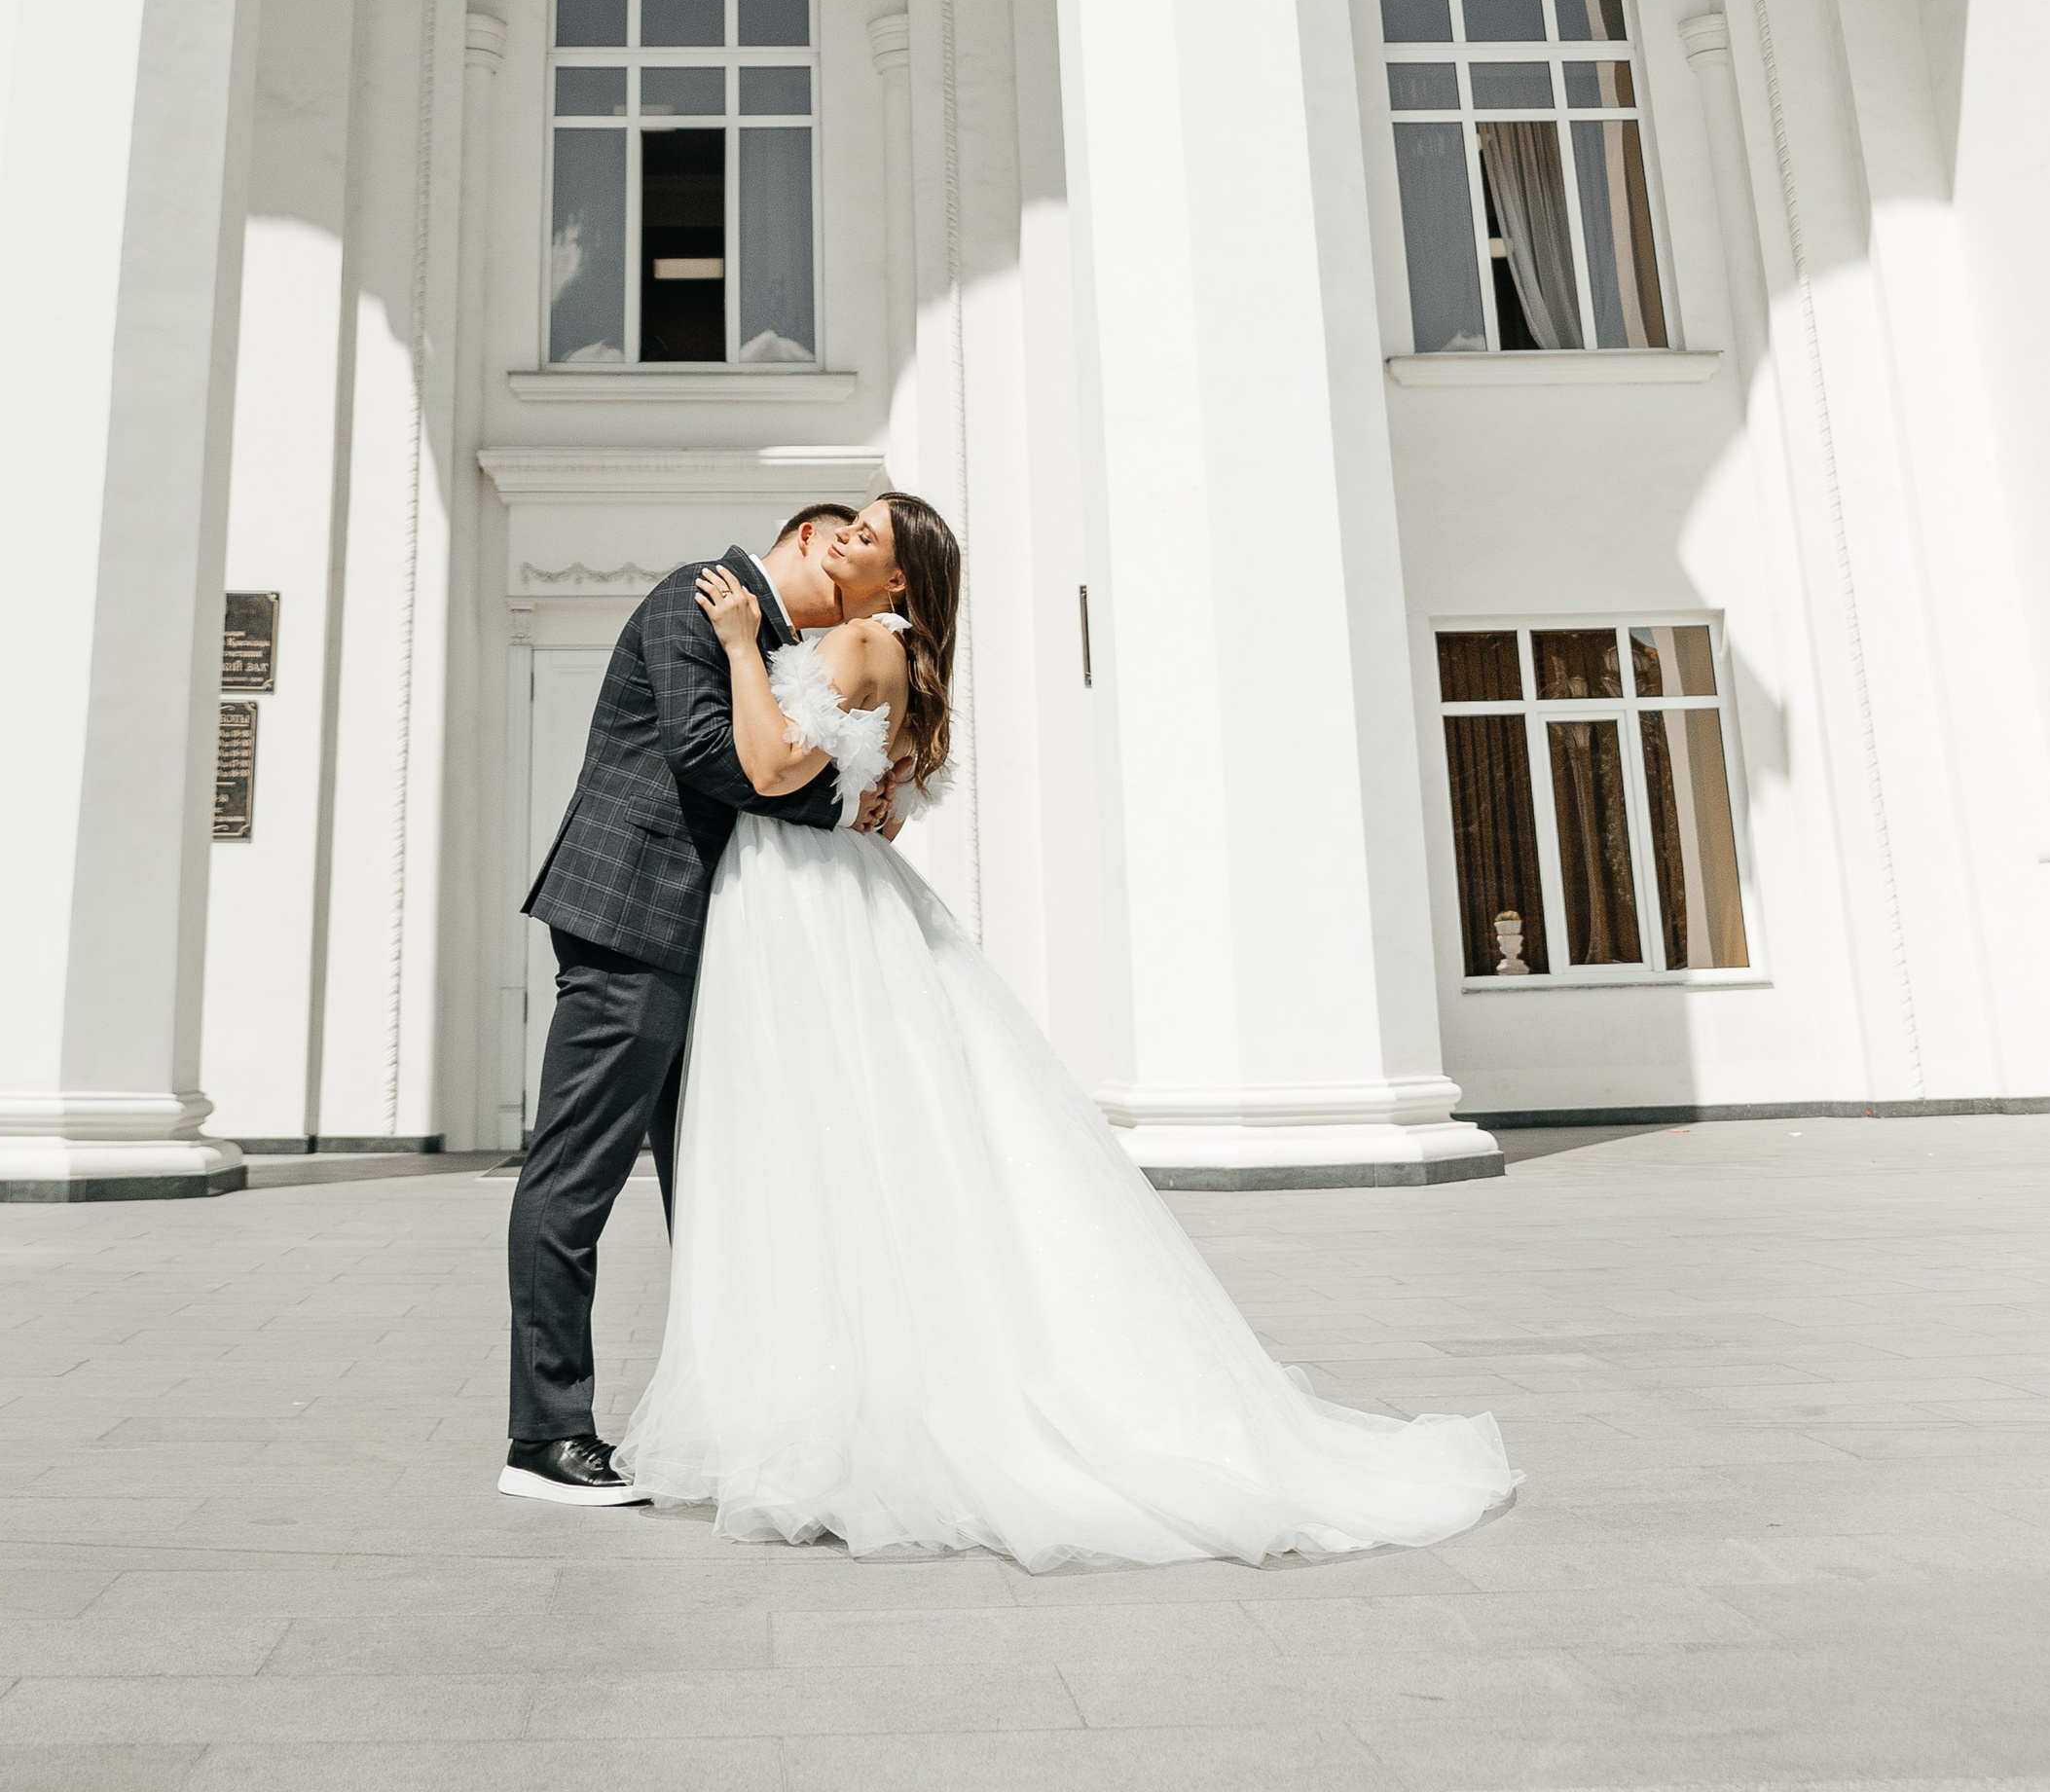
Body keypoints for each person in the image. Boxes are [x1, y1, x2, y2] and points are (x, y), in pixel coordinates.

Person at [614, 492, 1516, 1571]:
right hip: (812, 896)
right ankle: (815, 1399)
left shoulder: (858, 640)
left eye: (864, 536)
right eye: (844, 524)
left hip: (805, 906)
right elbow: (885, 801)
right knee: (847, 1143)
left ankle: (828, 1413)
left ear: (897, 582)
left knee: (824, 1143)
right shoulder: (870, 643)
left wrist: (733, 648)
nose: (837, 538)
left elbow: (765, 770)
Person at [501, 498, 880, 1506]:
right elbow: (713, 755)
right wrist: (833, 801)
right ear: (809, 538)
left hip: (703, 939)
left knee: (712, 1187)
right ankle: (543, 1437)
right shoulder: (697, 599)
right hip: (632, 918)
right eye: (843, 567)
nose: (849, 602)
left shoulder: (768, 635)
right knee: (573, 1176)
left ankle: (735, 1417)